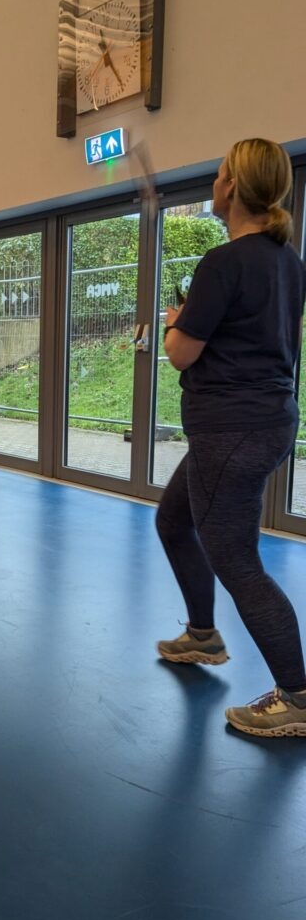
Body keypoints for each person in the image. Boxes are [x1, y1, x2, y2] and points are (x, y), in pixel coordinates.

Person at [155, 138, 306, 737]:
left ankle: (296, 696)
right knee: (173, 520)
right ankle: (202, 635)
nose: (212, 185)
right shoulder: (289, 261)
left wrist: (174, 322)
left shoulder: (223, 262)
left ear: (234, 189)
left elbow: (180, 355)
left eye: (219, 176)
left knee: (239, 562)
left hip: (230, 433)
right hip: (265, 422)